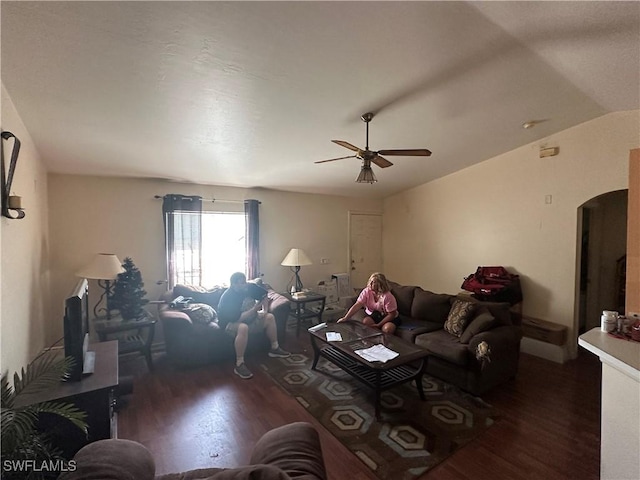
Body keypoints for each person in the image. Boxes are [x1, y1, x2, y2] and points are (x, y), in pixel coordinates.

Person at [217, 272, 290, 379]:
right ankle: (239, 364)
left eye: (245, 282)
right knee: (243, 327)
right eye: (241, 283)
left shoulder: (250, 287)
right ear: (233, 285)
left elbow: (265, 295)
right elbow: (238, 319)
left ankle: (275, 348)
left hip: (250, 319)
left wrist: (264, 311)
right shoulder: (228, 297)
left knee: (269, 317)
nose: (244, 285)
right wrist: (255, 309)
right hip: (229, 323)